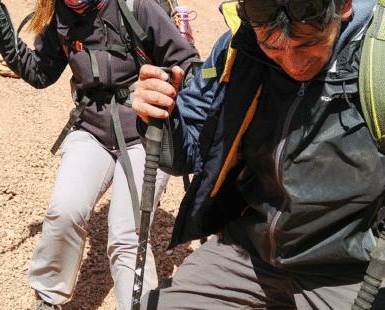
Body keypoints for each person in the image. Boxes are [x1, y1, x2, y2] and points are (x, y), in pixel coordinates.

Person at [132, 0, 385, 308]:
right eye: (273, 47)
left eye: (308, 44)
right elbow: (189, 152)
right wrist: (162, 119)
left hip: (347, 270)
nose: (293, 63)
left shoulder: (377, 58)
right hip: (250, 251)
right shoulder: (239, 47)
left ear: (343, 7)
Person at [0, 0, 200, 309]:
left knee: (127, 233)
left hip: (147, 133)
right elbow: (41, 72)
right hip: (91, 129)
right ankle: (49, 295)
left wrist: (180, 116)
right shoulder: (57, 12)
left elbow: (188, 65)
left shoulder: (139, 7)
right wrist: (3, 37)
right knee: (65, 210)